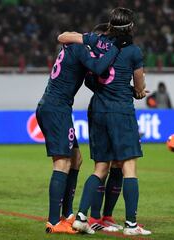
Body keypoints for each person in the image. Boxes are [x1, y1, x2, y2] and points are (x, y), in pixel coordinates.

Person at [58, 8, 151, 236]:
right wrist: (138, 91)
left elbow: (64, 37)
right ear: (130, 27)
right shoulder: (133, 52)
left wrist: (88, 38)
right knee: (129, 167)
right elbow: (139, 87)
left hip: (98, 110)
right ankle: (131, 225)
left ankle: (81, 217)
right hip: (120, 111)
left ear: (110, 25)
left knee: (100, 167)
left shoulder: (97, 41)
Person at [36, 32, 131, 234]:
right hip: (56, 109)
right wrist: (114, 48)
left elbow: (93, 78)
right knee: (62, 164)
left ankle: (68, 214)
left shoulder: (74, 49)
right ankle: (54, 221)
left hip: (57, 108)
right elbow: (98, 67)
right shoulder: (80, 48)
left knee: (76, 159)